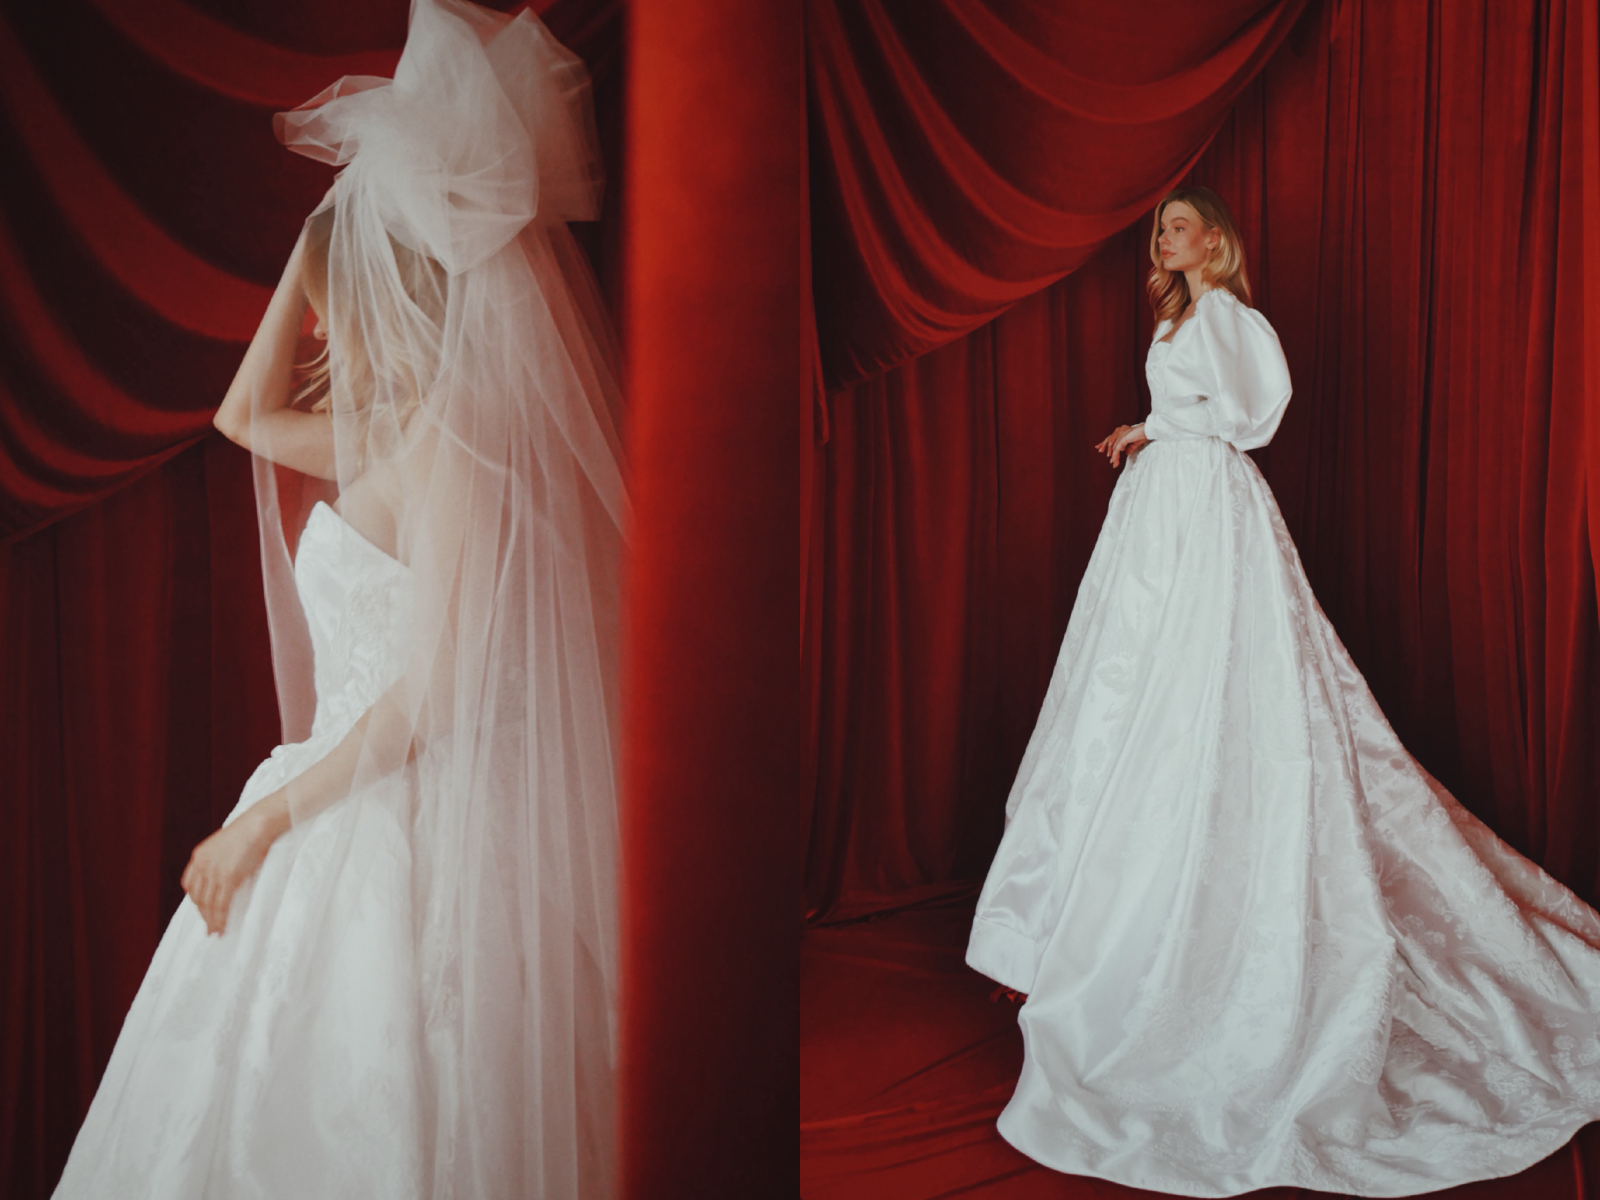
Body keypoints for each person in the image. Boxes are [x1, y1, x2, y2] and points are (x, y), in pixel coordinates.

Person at [51, 2, 624, 1196]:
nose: (319, 316)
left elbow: (426, 702)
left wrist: (259, 825)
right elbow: (240, 417)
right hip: (331, 800)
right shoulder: (379, 431)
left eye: (334, 286)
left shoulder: (464, 455)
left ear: (385, 289)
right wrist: (317, 241)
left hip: (401, 821)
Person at [966, 185, 1600, 1196]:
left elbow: (1250, 420)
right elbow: (1199, 413)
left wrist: (1173, 437)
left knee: (1191, 701)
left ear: (1216, 239)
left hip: (1202, 516)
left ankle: (1144, 951)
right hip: (1161, 512)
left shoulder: (1224, 316)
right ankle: (1074, 935)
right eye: (1158, 228)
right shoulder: (1183, 318)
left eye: (1178, 225)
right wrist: (1148, 428)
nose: (1162, 238)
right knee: (1126, 702)